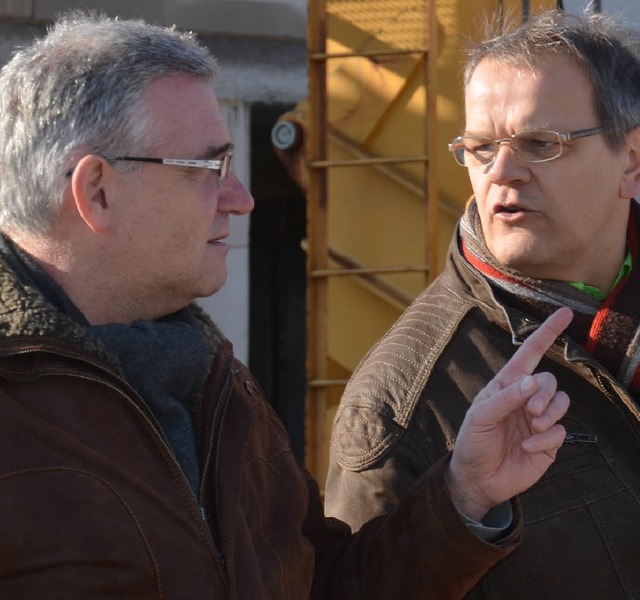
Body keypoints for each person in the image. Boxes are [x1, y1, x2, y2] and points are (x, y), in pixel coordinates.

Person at [0, 10, 571, 599]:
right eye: (209, 168)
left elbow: (325, 587)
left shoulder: (215, 385)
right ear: (97, 191)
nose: (240, 199)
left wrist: (464, 495)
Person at [325, 8, 640, 599]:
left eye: (539, 143)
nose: (502, 172)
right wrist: (463, 507)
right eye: (478, 147)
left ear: (632, 159)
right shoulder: (400, 401)